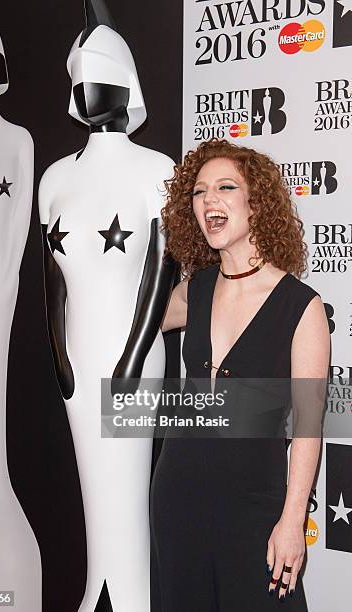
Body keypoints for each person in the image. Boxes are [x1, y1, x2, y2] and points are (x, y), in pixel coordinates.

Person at [150, 138, 330, 611]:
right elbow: (133, 326)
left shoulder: (301, 306)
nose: (209, 200)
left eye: (226, 187)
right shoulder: (197, 289)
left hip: (255, 504)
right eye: (199, 192)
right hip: (178, 492)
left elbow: (309, 429)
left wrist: (292, 521)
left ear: (257, 202)